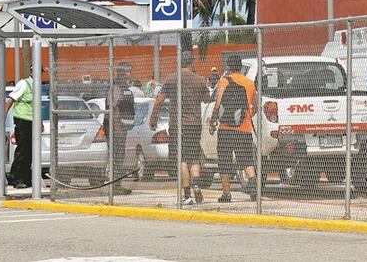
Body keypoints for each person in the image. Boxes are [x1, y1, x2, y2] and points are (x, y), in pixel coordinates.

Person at [151, 51, 210, 205]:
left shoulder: (171, 79)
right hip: (195, 123)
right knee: (194, 157)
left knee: (182, 159)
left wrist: (153, 119)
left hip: (178, 124)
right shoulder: (199, 80)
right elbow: (206, 99)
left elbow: (159, 101)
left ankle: (187, 194)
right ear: (192, 63)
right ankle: (196, 183)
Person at [209, 55, 257, 202]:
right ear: (241, 67)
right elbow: (254, 106)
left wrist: (212, 122)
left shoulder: (223, 81)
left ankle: (226, 193)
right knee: (246, 159)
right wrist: (247, 116)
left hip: (226, 129)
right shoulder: (249, 83)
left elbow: (217, 105)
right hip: (244, 129)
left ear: (228, 67)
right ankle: (253, 182)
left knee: (224, 161)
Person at [4, 65, 42, 189]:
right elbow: (11, 100)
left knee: (30, 152)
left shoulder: (37, 86)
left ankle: (26, 178)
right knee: (23, 151)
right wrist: (2, 117)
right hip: (22, 122)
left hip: (33, 122)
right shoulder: (24, 84)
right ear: (31, 71)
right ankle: (16, 177)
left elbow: (36, 106)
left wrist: (40, 122)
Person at [105, 63, 137, 195]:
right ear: (121, 73)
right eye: (127, 72)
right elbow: (114, 109)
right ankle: (115, 185)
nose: (129, 74)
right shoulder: (116, 88)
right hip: (115, 128)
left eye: (130, 72)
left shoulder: (125, 88)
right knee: (117, 155)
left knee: (120, 155)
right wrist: (117, 128)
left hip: (122, 128)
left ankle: (117, 184)